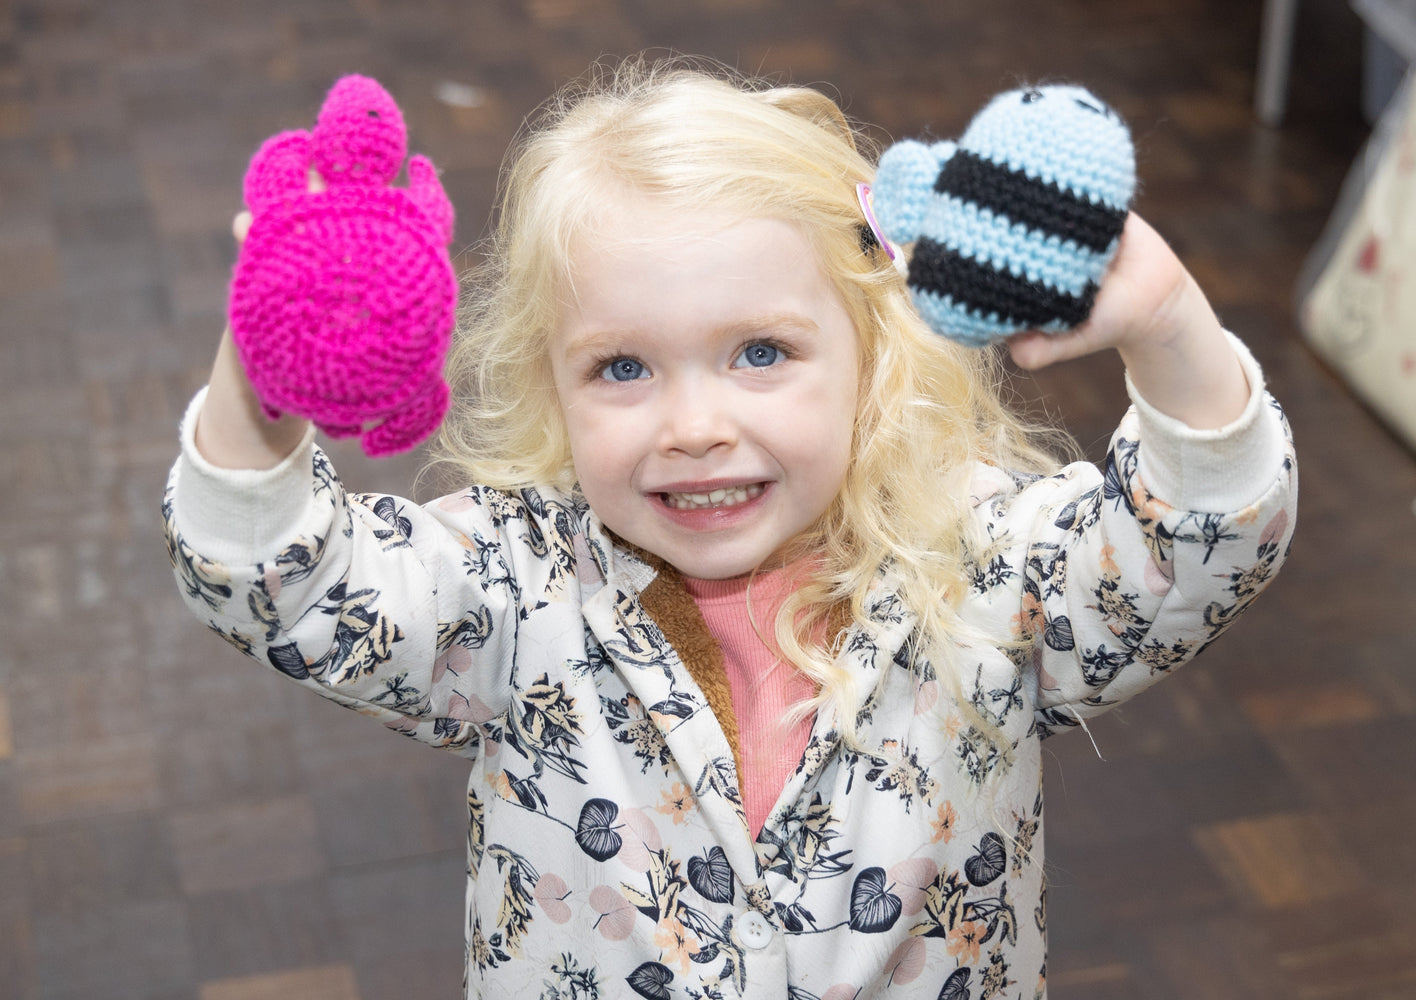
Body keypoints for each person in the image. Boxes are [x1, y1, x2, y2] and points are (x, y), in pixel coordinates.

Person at [164, 58, 1296, 1000]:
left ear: (873, 347)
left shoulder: (980, 561)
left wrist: (1165, 324)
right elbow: (286, 583)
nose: (695, 426)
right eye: (622, 366)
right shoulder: (514, 588)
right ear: (551, 384)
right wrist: (259, 385)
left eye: (761, 352)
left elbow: (1198, 538)